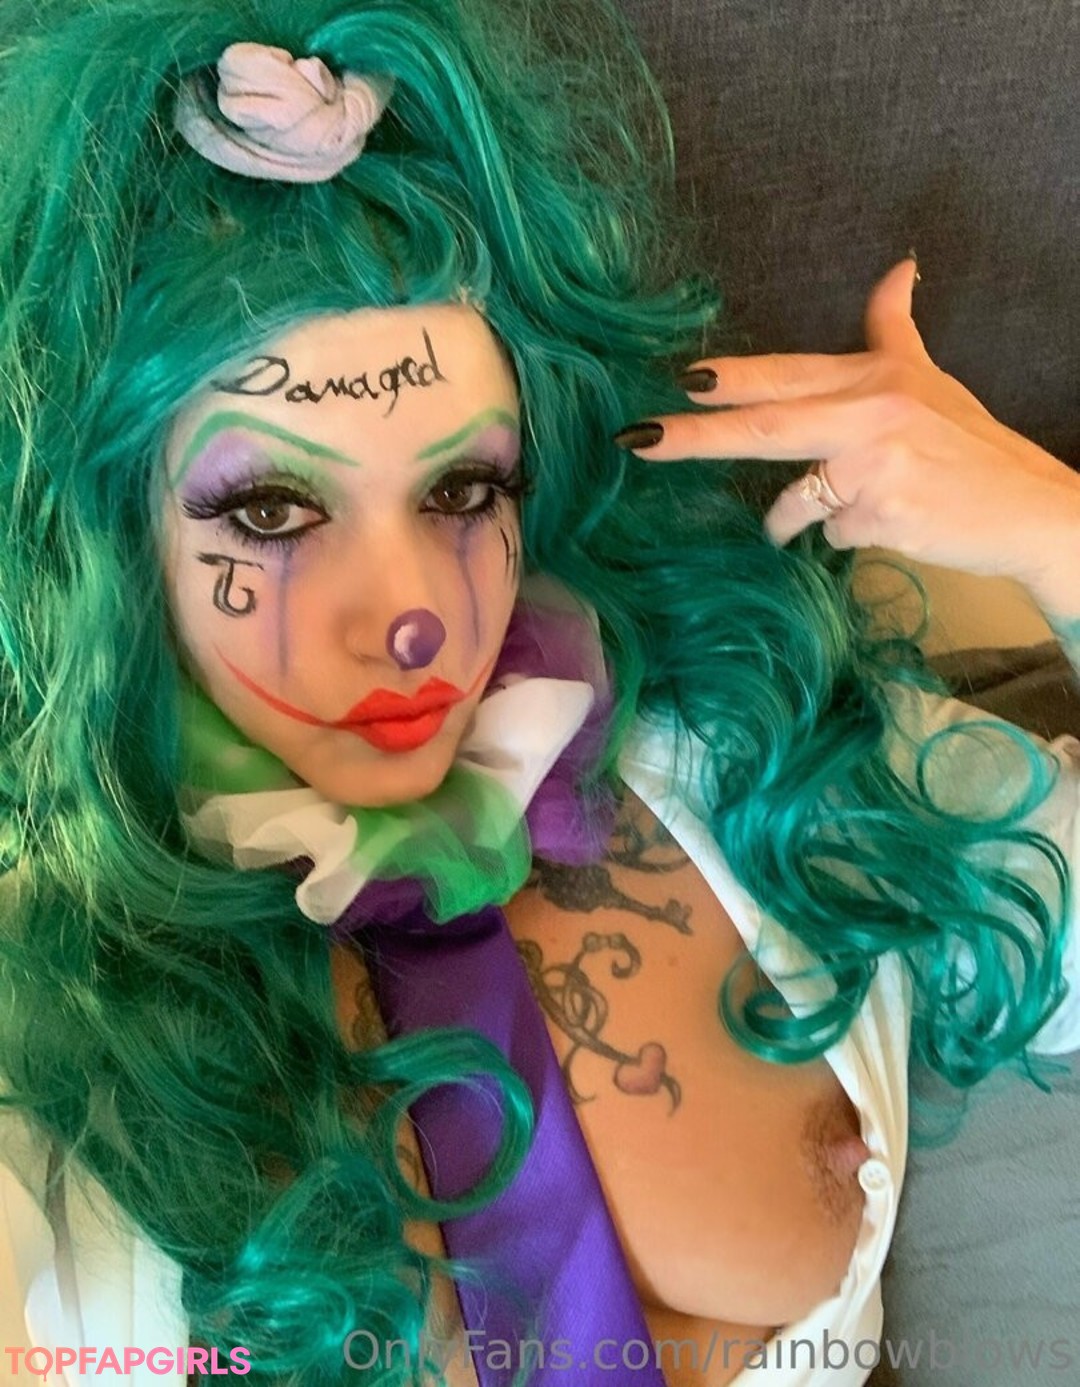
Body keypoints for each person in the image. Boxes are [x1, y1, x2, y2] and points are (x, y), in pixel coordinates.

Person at [0, 1, 1078, 1385]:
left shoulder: (751, 744)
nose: (409, 620)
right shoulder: (50, 1011)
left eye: (462, 489)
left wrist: (1054, 532)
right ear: (113, 538)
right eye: (270, 511)